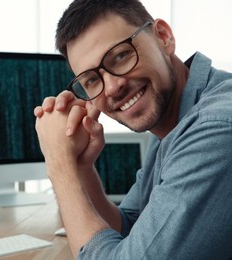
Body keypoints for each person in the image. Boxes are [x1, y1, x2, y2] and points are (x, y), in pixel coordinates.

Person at [34, 0, 232, 259]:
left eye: (120, 55)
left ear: (163, 36)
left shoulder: (214, 129)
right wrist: (82, 166)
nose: (113, 87)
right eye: (92, 80)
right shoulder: (172, 121)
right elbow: (129, 227)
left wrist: (60, 165)